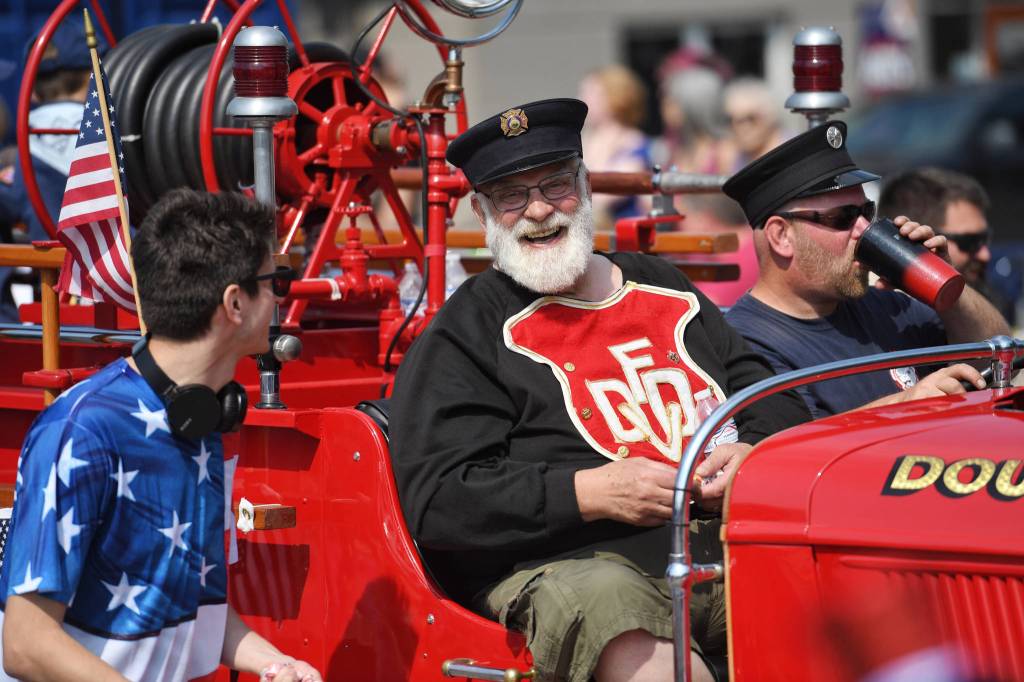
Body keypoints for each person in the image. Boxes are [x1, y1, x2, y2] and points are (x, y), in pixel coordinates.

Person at [390, 98, 809, 682]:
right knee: (613, 600)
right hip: (574, 565)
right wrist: (587, 492)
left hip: (723, 547)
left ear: (585, 185)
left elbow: (771, 396)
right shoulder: (467, 330)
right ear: (482, 210)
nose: (538, 210)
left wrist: (750, 456)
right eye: (512, 196)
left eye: (556, 185)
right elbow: (437, 500)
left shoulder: (662, 284)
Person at [0, 189, 320, 682]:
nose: (281, 296)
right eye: (274, 281)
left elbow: (190, 609)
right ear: (234, 302)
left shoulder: (205, 419)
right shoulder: (81, 430)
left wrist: (279, 665)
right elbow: (25, 644)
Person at [723, 122, 1009, 419]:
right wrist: (907, 403)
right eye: (843, 217)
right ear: (781, 236)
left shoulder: (888, 307)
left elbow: (1000, 356)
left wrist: (949, 290)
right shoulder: (746, 342)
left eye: (866, 212)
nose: (864, 228)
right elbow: (791, 448)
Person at [0, 16, 103, 323]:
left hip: (51, 309)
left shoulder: (17, 157)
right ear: (95, 80)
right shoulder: (124, 142)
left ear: (32, 91)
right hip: (125, 301)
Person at [879, 167, 1011, 320]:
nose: (985, 255)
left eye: (985, 239)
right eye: (970, 242)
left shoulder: (998, 298)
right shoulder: (889, 317)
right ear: (917, 238)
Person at [578, 65, 651, 229]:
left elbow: (610, 194)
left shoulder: (633, 141)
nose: (582, 99)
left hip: (623, 237)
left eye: (590, 93)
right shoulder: (586, 139)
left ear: (614, 97)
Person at [722, 77, 789, 171]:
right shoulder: (733, 156)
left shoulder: (792, 152)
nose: (740, 128)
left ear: (771, 116)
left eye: (750, 118)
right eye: (730, 120)